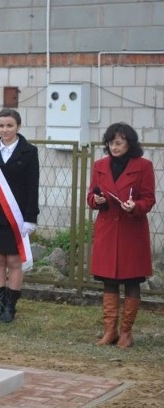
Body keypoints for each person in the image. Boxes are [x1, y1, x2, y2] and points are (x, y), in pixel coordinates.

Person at [87, 122, 155, 348]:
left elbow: (149, 199)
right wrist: (95, 201)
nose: (113, 147)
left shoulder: (144, 166)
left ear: (129, 143)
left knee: (132, 280)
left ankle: (126, 332)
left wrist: (135, 205)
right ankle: (110, 331)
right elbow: (91, 196)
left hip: (131, 231)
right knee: (109, 281)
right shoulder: (99, 165)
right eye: (110, 143)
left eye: (118, 143)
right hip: (107, 229)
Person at [0, 108, 39, 324]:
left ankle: (11, 307)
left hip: (17, 216)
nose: (5, 129)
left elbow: (32, 187)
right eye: (1, 125)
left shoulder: (29, 151)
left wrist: (31, 218)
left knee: (13, 260)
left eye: (9, 125)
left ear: (18, 127)